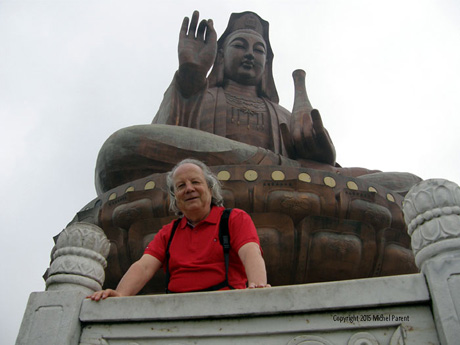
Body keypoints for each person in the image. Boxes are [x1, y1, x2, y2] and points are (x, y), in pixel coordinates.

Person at [95, 10, 420, 196]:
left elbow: (325, 171)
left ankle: (284, 172)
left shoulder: (281, 113)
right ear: (221, 55)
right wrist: (191, 74)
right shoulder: (200, 94)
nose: (251, 53)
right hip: (207, 187)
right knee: (119, 149)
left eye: (259, 49)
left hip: (288, 187)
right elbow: (161, 140)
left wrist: (320, 154)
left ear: (268, 64)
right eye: (240, 45)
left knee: (409, 185)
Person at [89, 158, 270, 300]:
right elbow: (144, 266)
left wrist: (258, 286)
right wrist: (120, 295)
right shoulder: (169, 232)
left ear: (210, 188)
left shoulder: (234, 219)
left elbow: (250, 252)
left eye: (195, 182)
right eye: (181, 186)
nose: (189, 189)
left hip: (225, 301)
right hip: (177, 308)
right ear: (174, 197)